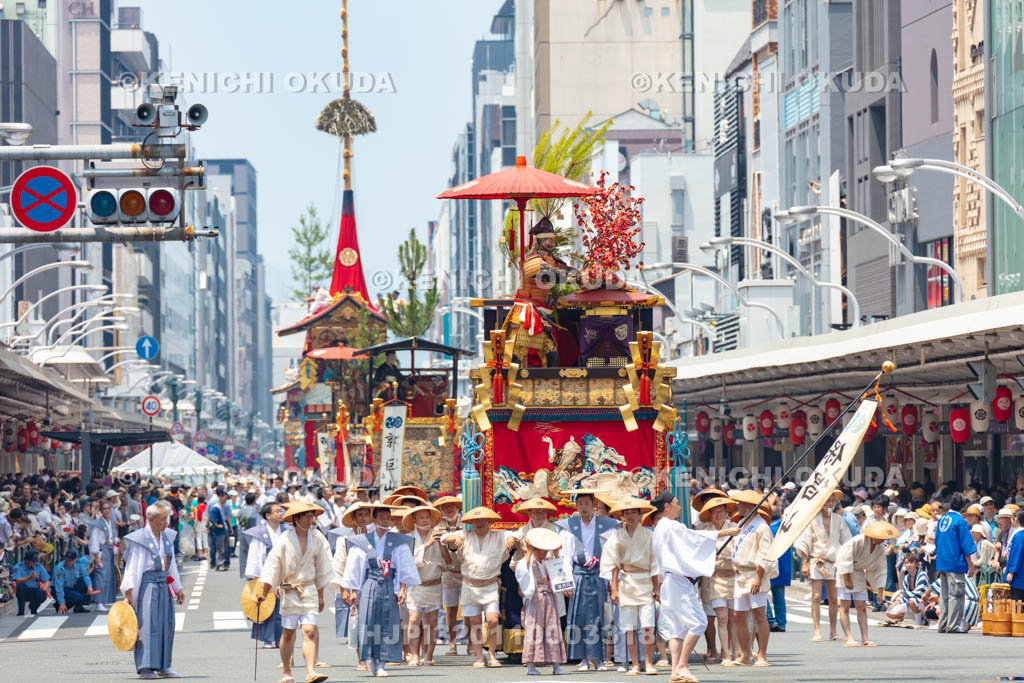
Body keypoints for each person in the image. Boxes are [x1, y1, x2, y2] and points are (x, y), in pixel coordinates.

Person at [648, 491, 739, 683]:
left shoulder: (661, 528)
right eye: (676, 503)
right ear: (667, 507)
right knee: (699, 623)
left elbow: (687, 545)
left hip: (672, 581)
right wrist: (723, 533)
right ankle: (682, 664)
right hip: (678, 582)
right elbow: (693, 538)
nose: (679, 506)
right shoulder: (670, 525)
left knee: (677, 629)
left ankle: (675, 670)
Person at [258, 501, 334, 683]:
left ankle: (310, 671)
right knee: (289, 633)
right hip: (290, 590)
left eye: (311, 515)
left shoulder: (317, 538)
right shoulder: (285, 539)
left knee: (309, 631)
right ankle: (286, 671)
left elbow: (323, 567)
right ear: (296, 518)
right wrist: (264, 591)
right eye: (306, 516)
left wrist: (321, 595)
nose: (311, 519)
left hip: (310, 589)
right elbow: (273, 565)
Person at [341, 504, 420, 678]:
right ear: (374, 519)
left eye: (387, 517)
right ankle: (371, 660)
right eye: (381, 517)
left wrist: (402, 589)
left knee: (388, 623)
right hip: (369, 583)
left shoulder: (398, 541)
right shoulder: (362, 541)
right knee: (369, 622)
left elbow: (404, 567)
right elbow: (355, 568)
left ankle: (383, 662)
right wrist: (354, 591)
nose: (385, 520)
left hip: (389, 583)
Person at [441, 506, 516, 669]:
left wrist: (511, 539)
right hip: (470, 585)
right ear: (471, 522)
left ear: (489, 521)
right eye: (476, 520)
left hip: (490, 585)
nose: (479, 523)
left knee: (493, 620)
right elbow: (444, 537)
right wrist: (454, 538)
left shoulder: (499, 535)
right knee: (475, 622)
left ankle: (492, 654)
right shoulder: (465, 534)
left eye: (483, 520)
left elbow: (514, 534)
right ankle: (480, 657)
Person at [556, 489, 620, 671]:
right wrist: (566, 581)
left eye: (587, 503)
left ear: (594, 505)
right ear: (576, 506)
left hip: (599, 574)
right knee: (579, 617)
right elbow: (564, 557)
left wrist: (610, 580)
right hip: (578, 574)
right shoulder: (569, 526)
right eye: (581, 503)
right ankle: (583, 658)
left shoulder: (606, 525)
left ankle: (599, 658)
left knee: (600, 617)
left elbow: (611, 552)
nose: (584, 507)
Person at [121, 502, 185, 679]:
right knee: (147, 625)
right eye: (163, 518)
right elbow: (133, 569)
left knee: (166, 624)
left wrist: (178, 588)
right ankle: (146, 667)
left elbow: (170, 565)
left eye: (167, 518)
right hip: (147, 584)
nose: (167, 522)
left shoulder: (167, 537)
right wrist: (129, 595)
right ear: (151, 519)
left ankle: (164, 665)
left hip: (163, 583)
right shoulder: (141, 539)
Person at [503, 218, 578, 367]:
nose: (552, 243)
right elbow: (548, 273)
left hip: (542, 314)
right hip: (527, 313)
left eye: (552, 239)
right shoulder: (533, 260)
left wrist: (582, 275)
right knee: (516, 355)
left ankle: (546, 385)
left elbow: (566, 270)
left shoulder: (552, 260)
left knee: (552, 356)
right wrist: (569, 277)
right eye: (548, 239)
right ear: (539, 241)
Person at [601, 497, 659, 675]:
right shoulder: (616, 536)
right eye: (627, 512)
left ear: (640, 514)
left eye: (634, 512)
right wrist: (614, 589)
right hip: (626, 583)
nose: (631, 515)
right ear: (623, 515)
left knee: (648, 626)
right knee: (629, 628)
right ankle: (634, 663)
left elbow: (655, 563)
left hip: (645, 582)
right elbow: (613, 565)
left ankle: (648, 662)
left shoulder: (649, 535)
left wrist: (656, 588)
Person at [728, 491, 777, 667]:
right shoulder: (740, 524)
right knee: (738, 616)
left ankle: (762, 655)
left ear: (749, 506)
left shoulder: (761, 526)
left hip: (755, 573)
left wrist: (758, 576)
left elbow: (765, 554)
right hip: (740, 574)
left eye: (740, 503)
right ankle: (746, 654)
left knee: (759, 615)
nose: (737, 506)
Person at [795, 491, 850, 642]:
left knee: (833, 598)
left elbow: (847, 541)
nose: (830, 503)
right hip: (817, 560)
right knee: (816, 596)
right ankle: (817, 630)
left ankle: (833, 630)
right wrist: (804, 563)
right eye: (828, 500)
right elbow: (804, 541)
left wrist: (848, 561)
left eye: (833, 500)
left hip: (833, 561)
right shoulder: (812, 520)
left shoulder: (839, 520)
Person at [515, 527, 568, 677]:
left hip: (549, 598)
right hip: (535, 599)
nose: (543, 554)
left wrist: (557, 553)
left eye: (545, 551)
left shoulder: (550, 561)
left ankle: (556, 665)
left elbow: (561, 572)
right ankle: (530, 665)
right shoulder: (527, 562)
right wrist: (528, 552)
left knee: (553, 629)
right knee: (534, 630)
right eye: (540, 550)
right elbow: (521, 573)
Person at [835, 520, 896, 646]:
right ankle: (849, 637)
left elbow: (880, 569)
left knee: (861, 606)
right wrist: (847, 579)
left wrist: (880, 591)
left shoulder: (879, 549)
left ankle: (865, 637)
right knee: (845, 605)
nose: (883, 540)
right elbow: (844, 558)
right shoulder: (857, 541)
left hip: (859, 573)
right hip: (845, 572)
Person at [695, 496, 737, 666]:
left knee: (734, 616)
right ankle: (717, 650)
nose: (718, 514)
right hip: (712, 578)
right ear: (709, 514)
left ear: (727, 512)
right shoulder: (703, 529)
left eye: (722, 511)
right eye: (714, 511)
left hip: (733, 576)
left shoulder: (735, 528)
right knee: (718, 617)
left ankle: (735, 650)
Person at [402, 504, 444, 666]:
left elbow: (447, 561)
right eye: (421, 517)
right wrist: (426, 545)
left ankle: (428, 655)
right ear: (414, 520)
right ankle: (414, 654)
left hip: (434, 584)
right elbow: (407, 563)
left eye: (427, 517)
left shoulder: (437, 535)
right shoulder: (409, 538)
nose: (425, 520)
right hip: (416, 585)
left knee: (432, 622)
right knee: (413, 619)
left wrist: (441, 544)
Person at [243, 502, 286, 649]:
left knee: (283, 609)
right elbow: (255, 557)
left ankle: (282, 639)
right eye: (276, 511)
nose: (280, 514)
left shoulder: (286, 531)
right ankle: (268, 638)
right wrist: (257, 577)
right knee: (268, 608)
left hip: (284, 576)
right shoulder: (260, 534)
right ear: (267, 516)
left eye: (280, 511)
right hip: (266, 576)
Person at [934, 493, 977, 633]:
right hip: (955, 561)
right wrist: (970, 564)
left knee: (945, 595)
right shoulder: (959, 521)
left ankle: (943, 623)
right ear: (963, 506)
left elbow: (936, 540)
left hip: (943, 561)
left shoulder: (942, 519)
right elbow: (966, 544)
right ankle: (953, 625)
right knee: (956, 594)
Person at [433, 495, 463, 655]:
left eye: (452, 505)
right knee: (450, 610)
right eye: (445, 507)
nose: (449, 508)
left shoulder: (466, 523)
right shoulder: (438, 526)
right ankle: (452, 644)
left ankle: (472, 643)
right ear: (441, 510)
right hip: (448, 573)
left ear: (458, 507)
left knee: (469, 610)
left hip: (466, 571)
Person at [88, 499, 118, 611]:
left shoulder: (110, 523)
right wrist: (96, 557)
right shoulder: (98, 524)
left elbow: (112, 538)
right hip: (101, 552)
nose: (106, 511)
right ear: (101, 511)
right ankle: (99, 602)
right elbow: (94, 540)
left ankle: (104, 600)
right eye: (104, 509)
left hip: (109, 550)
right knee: (100, 577)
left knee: (107, 576)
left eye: (108, 508)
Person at [885, 551, 929, 626]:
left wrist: (903, 592)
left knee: (912, 601)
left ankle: (919, 620)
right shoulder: (906, 578)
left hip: (923, 604)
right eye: (906, 563)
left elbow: (919, 593)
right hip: (910, 603)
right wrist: (898, 601)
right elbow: (905, 596)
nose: (908, 565)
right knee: (889, 612)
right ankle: (915, 617)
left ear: (916, 564)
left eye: (911, 563)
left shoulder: (922, 575)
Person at [767, 508, 791, 635]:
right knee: (779, 597)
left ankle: (770, 620)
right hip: (783, 568)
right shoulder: (785, 527)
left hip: (771, 565)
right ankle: (781, 623)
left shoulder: (769, 529)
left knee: (760, 593)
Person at [53, 549, 93, 614]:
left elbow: (85, 575)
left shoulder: (79, 564)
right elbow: (59, 587)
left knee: (86, 582)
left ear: (75, 559)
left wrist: (89, 586)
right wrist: (62, 602)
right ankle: (60, 606)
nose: (67, 562)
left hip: (72, 586)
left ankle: (79, 606)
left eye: (70, 560)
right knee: (78, 597)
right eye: (66, 559)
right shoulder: (60, 568)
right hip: (62, 588)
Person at [12, 549, 50, 616]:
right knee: (21, 587)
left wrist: (45, 588)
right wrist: (30, 577)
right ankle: (21, 610)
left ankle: (33, 608)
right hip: (24, 591)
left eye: (35, 561)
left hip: (35, 589)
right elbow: (17, 580)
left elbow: (47, 580)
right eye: (32, 561)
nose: (34, 563)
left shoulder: (39, 566)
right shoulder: (17, 567)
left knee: (43, 595)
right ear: (27, 560)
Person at [207, 490, 231, 571]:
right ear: (220, 497)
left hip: (223, 529)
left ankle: (221, 563)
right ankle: (219, 564)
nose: (226, 500)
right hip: (219, 530)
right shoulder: (215, 507)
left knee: (224, 547)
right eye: (225, 498)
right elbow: (212, 519)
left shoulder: (221, 506)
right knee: (220, 548)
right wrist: (217, 525)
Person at [1005, 509, 1024, 600]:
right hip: (1020, 573)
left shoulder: (1019, 535)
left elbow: (1017, 554)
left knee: (1017, 603)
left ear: (1016, 518)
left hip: (1019, 575)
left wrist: (1011, 572)